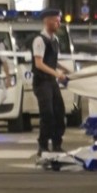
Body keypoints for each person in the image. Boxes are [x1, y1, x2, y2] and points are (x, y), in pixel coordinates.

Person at [32, 8, 72, 156]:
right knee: (47, 113)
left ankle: (56, 144)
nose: (58, 23)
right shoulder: (39, 40)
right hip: (42, 82)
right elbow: (39, 64)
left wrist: (68, 71)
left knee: (59, 112)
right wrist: (57, 74)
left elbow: (53, 61)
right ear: (47, 21)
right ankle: (42, 145)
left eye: (59, 20)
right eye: (56, 20)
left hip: (51, 81)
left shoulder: (54, 40)